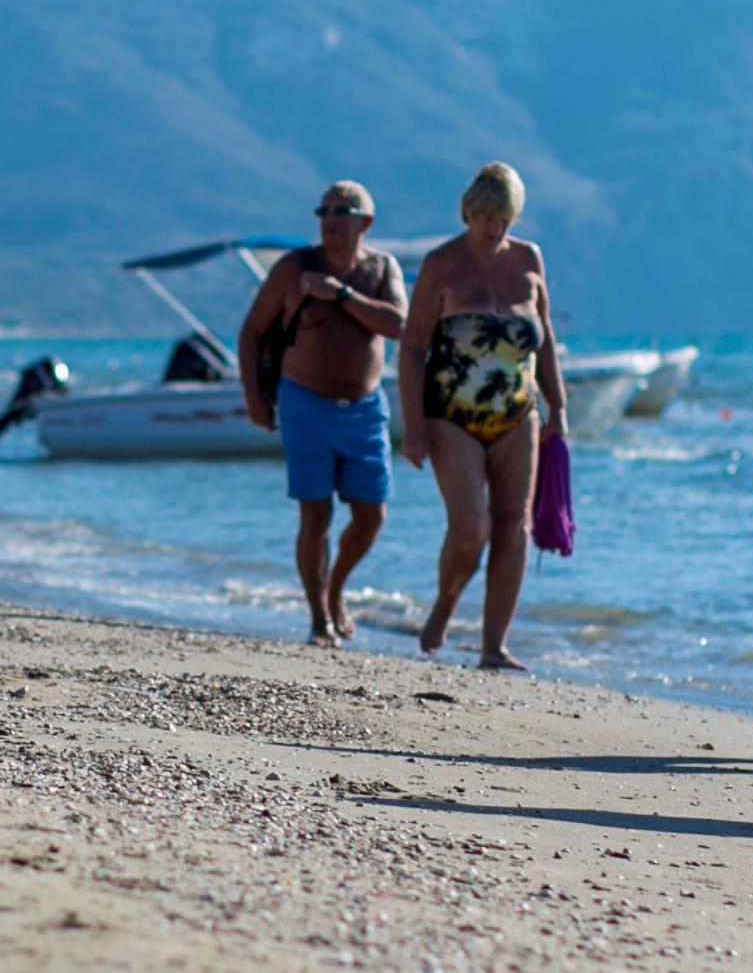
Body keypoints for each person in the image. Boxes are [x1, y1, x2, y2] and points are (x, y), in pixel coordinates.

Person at [400, 161, 564, 670]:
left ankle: (494, 647)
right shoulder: (441, 264)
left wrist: (558, 405)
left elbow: (545, 339)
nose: (496, 228)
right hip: (452, 414)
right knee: (472, 526)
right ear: (468, 213)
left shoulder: (529, 259)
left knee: (514, 527)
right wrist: (413, 425)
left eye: (505, 219)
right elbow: (413, 347)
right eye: (487, 218)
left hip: (518, 413)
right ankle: (446, 603)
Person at [236, 180, 408, 646]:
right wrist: (254, 398)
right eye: (324, 211)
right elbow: (252, 331)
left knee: (371, 515)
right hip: (304, 403)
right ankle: (319, 618)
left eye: (341, 212)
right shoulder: (296, 267)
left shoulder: (381, 268)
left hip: (365, 408)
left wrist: (341, 295)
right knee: (315, 515)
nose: (330, 219)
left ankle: (335, 589)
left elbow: (400, 325)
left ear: (365, 223)